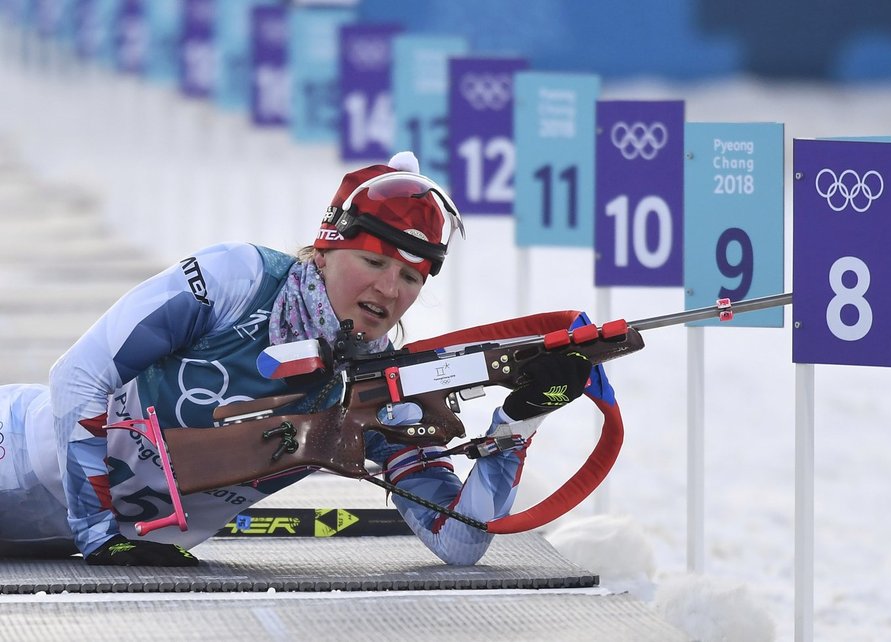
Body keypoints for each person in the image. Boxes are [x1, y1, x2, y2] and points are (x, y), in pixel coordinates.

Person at [0, 152, 593, 566]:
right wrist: (100, 532)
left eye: (412, 277)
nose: (390, 291)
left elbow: (460, 542)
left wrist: (517, 424)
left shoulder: (382, 388)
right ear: (329, 247)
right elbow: (77, 376)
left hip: (55, 542)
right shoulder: (235, 278)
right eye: (376, 263)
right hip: (17, 451)